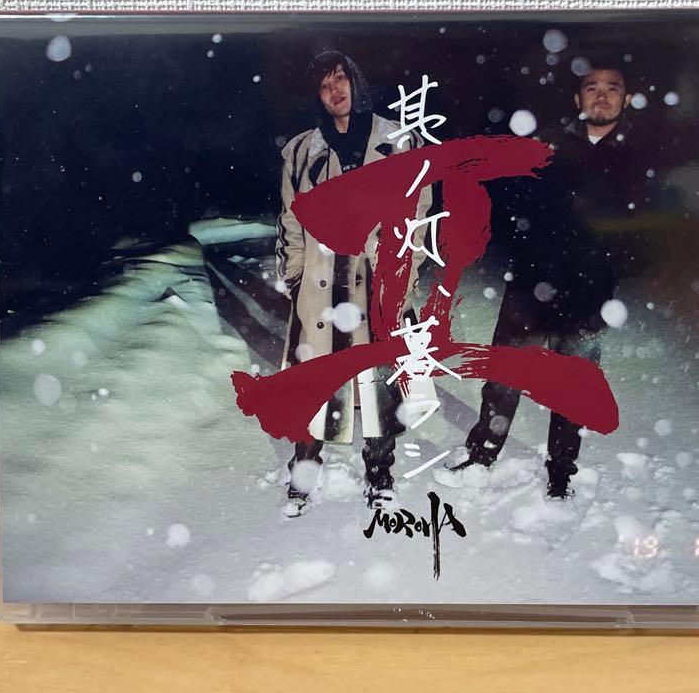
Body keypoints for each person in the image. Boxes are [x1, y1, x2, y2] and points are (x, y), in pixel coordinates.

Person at [436, 62, 649, 499]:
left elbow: (641, 231)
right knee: (503, 375)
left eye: (612, 88)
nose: (601, 96)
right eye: (591, 88)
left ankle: (561, 473)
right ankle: (481, 456)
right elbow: (512, 205)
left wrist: (607, 266)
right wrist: (528, 248)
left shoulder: (636, 158)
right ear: (578, 97)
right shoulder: (549, 146)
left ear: (627, 99)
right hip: (531, 285)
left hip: (589, 293)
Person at [276, 50, 428, 517]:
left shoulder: (398, 142)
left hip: (377, 283)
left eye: (340, 79)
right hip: (320, 285)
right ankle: (304, 470)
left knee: (379, 385)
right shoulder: (301, 150)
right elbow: (291, 218)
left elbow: (418, 218)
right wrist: (295, 275)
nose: (334, 90)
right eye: (324, 85)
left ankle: (380, 475)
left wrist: (403, 277)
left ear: (357, 82)